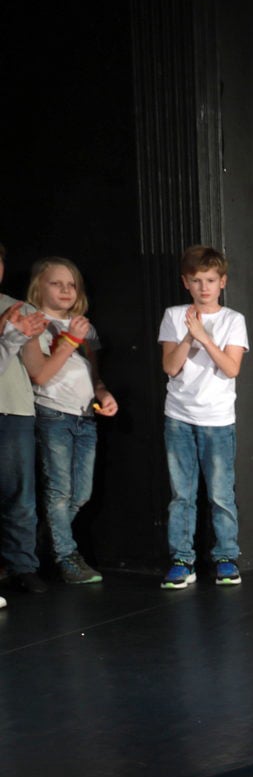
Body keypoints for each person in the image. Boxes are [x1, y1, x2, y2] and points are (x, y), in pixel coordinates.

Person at [20, 258, 117, 585]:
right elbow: (41, 376)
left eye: (71, 284)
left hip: (85, 417)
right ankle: (66, 557)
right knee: (59, 491)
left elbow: (93, 374)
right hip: (52, 414)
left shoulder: (84, 326)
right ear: (38, 287)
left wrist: (103, 394)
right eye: (56, 283)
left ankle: (32, 548)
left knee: (81, 494)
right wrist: (70, 340)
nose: (65, 290)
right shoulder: (35, 323)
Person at [158, 245, 251, 588]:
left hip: (217, 419)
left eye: (210, 280)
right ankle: (182, 560)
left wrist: (204, 337)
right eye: (196, 280)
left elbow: (231, 369)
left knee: (220, 494)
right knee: (182, 495)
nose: (204, 287)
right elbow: (170, 366)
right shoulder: (174, 315)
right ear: (186, 282)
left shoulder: (233, 320)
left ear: (222, 281)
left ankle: (226, 557)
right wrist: (188, 334)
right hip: (179, 417)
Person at [0, 239, 49, 600]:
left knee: (19, 495)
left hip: (15, 409)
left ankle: (23, 567)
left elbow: (36, 369)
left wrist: (27, 336)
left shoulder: (18, 308)